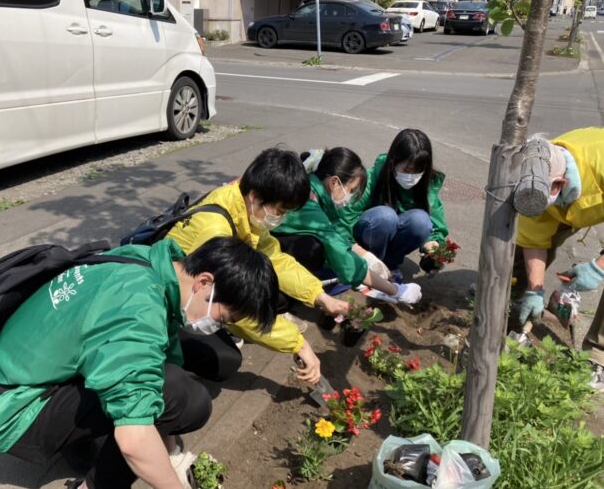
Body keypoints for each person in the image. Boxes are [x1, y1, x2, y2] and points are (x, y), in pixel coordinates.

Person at [0, 237, 279, 489]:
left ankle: (83, 445)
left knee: (164, 384)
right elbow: (134, 439)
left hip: (26, 365)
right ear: (204, 281)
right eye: (223, 318)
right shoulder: (138, 309)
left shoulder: (151, 263)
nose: (217, 327)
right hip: (14, 410)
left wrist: (170, 451)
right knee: (183, 400)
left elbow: (155, 360)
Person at [167, 147, 403, 386]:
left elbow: (277, 260)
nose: (279, 218)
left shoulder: (243, 209)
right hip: (174, 303)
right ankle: (168, 355)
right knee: (224, 361)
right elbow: (237, 306)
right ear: (255, 195)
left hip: (207, 293)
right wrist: (298, 343)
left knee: (268, 291)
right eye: (279, 211)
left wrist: (319, 297)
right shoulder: (215, 230)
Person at [513, 128, 604, 391]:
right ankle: (513, 314)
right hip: (567, 207)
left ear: (559, 185)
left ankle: (598, 355)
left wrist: (597, 270)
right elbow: (534, 241)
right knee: (520, 255)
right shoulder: (533, 179)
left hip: (591, 191)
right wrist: (534, 289)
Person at [272, 147, 422, 304]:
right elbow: (341, 256)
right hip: (263, 254)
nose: (349, 197)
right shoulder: (308, 203)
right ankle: (278, 298)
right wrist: (396, 291)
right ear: (334, 182)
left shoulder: (316, 189)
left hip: (274, 243)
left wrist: (365, 255)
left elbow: (335, 229)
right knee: (315, 249)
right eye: (351, 189)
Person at [342, 128, 450, 283]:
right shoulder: (372, 177)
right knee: (386, 216)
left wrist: (432, 247)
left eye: (419, 171)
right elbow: (346, 217)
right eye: (407, 170)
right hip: (368, 235)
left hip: (394, 235)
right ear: (393, 161)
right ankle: (371, 267)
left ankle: (389, 265)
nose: (412, 176)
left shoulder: (426, 184)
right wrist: (357, 252)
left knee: (421, 220)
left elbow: (436, 225)